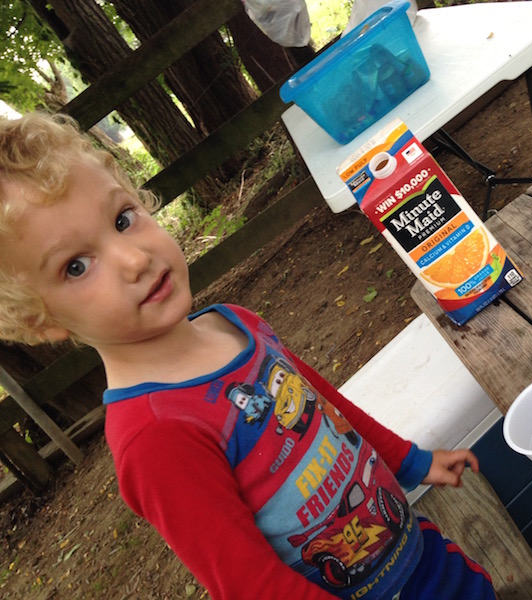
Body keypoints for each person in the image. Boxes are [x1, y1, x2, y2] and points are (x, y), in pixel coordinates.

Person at [0, 112, 497, 600]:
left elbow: (326, 407)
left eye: (122, 219)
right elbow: (249, 585)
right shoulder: (155, 435)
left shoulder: (232, 322)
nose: (134, 259)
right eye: (77, 266)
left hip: (417, 549)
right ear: (37, 318)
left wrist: (409, 460)